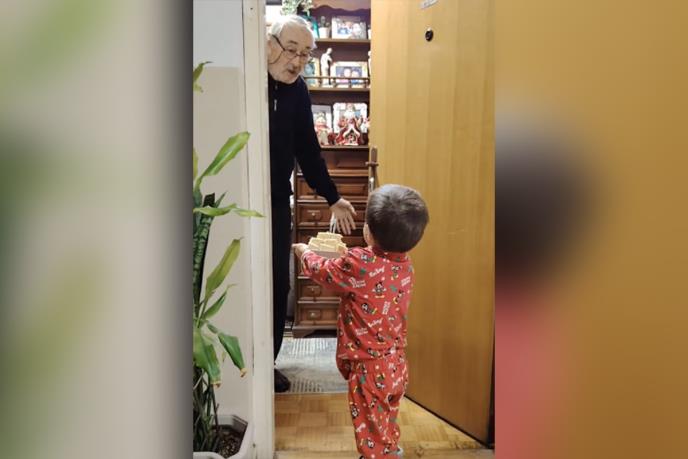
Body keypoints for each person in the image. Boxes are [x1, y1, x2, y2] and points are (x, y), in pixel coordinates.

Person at [293, 184, 429, 458]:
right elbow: (366, 272)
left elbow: (324, 270)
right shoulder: (405, 265)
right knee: (385, 418)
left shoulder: (359, 262)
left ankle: (381, 454)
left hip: (369, 369)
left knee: (370, 435)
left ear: (368, 231)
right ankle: (390, 450)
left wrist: (304, 252)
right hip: (396, 363)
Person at [267, 15, 357, 393]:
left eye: (305, 55)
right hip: (238, 198)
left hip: (276, 200)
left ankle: (267, 362)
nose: (296, 62)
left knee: (278, 283)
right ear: (269, 44)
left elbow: (308, 149)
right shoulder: (250, 81)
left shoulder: (299, 91)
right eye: (291, 50)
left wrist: (333, 197)